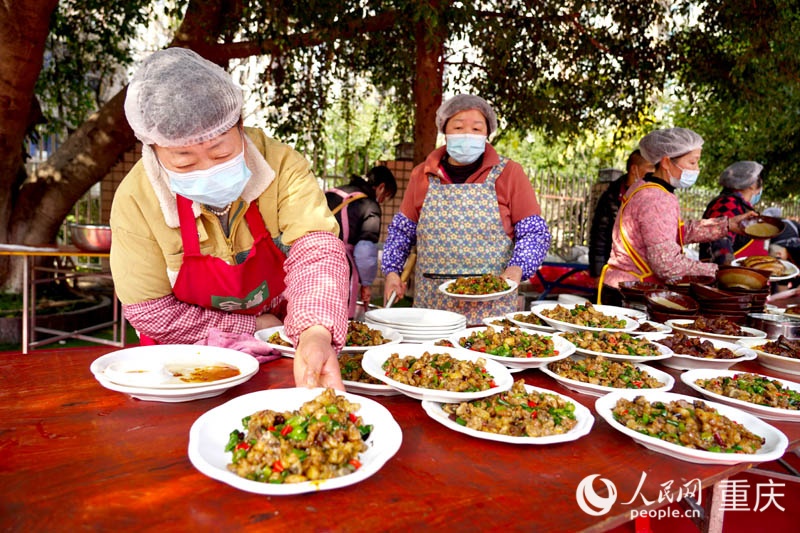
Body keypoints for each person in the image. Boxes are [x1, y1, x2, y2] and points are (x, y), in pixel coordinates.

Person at [110, 48, 349, 389]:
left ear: (239, 125)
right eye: (184, 162)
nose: (208, 168)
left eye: (221, 151)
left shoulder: (281, 166)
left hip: (284, 350)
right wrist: (249, 326)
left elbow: (317, 251)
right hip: (182, 366)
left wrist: (314, 332)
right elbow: (152, 312)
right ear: (152, 147)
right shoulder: (136, 200)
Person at [381, 94, 551, 324]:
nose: (467, 135)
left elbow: (534, 232)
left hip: (491, 308)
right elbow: (401, 232)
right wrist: (392, 272)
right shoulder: (422, 175)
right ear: (445, 130)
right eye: (458, 127)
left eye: (476, 128)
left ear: (487, 134)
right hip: (432, 310)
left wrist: (517, 269)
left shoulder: (510, 173)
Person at [599, 127, 757, 305]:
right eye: (692, 163)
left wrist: (727, 225)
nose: (697, 169)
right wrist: (722, 271)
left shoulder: (646, 187)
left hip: (624, 287)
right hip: (631, 294)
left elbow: (672, 231)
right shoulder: (656, 198)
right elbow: (667, 265)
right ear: (666, 162)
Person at [325, 166, 397, 318]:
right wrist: (366, 283)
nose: (383, 201)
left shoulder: (333, 192)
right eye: (386, 196)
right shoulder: (369, 205)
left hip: (308, 258)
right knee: (338, 318)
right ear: (381, 187)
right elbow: (364, 251)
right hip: (340, 265)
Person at [588, 150, 655, 278]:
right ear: (634, 169)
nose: (654, 172)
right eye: (651, 167)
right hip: (615, 269)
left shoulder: (653, 195)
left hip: (643, 272)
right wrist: (598, 274)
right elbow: (599, 239)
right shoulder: (611, 197)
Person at [699, 161, 766, 265]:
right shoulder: (728, 203)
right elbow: (720, 240)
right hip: (726, 277)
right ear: (752, 184)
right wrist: (729, 271)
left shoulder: (739, 204)